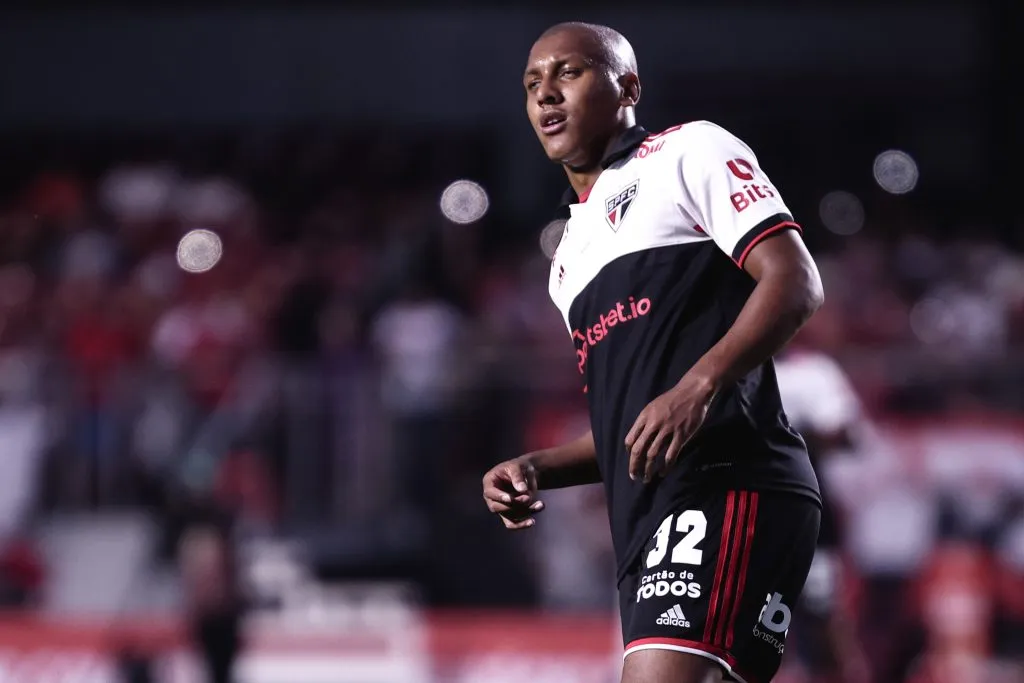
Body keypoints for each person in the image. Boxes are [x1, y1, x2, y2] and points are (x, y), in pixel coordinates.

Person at [482, 22, 825, 683]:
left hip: (731, 481)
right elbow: (633, 421)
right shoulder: (567, 262)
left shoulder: (688, 151)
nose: (547, 93)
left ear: (627, 86)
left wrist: (699, 385)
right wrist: (535, 465)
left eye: (569, 73)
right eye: (532, 84)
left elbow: (795, 281)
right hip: (647, 519)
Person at [775, 342, 871, 683]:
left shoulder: (812, 371)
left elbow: (847, 433)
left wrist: (786, 434)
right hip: (747, 518)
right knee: (762, 628)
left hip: (806, 516)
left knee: (824, 614)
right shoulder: (721, 370)